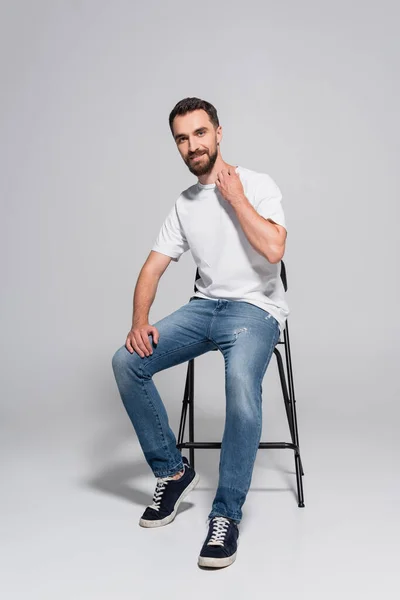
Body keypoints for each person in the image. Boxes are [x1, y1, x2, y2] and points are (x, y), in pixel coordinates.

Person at [111, 97, 288, 569]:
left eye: (200, 134)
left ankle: (226, 514)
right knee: (126, 362)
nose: (193, 146)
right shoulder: (184, 204)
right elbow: (151, 269)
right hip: (205, 308)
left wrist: (235, 199)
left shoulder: (256, 183)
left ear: (218, 133)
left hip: (255, 310)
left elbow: (274, 249)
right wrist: (138, 322)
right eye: (183, 139)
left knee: (239, 388)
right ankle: (172, 471)